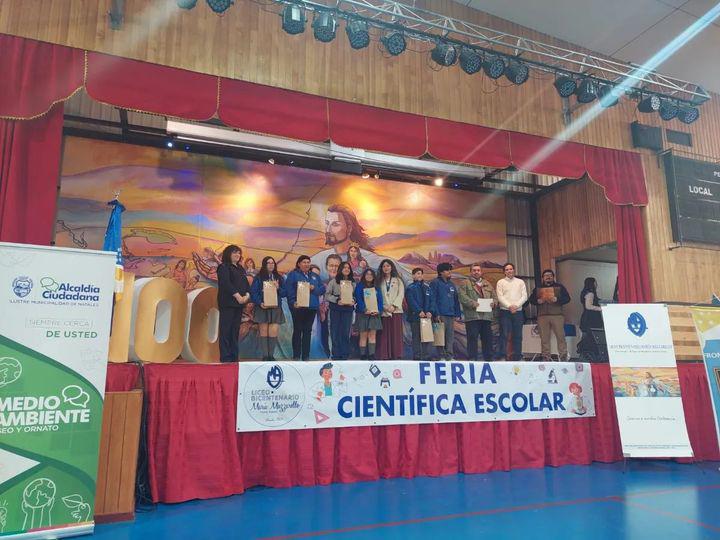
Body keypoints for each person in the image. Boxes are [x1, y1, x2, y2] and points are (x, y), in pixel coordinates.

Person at [284, 255, 326, 361]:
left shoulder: (314, 276)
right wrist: (293, 302)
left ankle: (306, 356)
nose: (306, 264)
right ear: (299, 264)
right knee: (297, 330)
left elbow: (322, 289)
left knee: (308, 331)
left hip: (311, 307)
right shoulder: (293, 275)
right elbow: (289, 290)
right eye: (304, 262)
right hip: (298, 307)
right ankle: (296, 355)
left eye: (308, 262)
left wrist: (314, 288)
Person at [217, 245, 251, 362]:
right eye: (235, 252)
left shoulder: (240, 268)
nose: (237, 255)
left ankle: (234, 357)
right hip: (228, 303)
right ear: (228, 254)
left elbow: (246, 284)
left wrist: (247, 296)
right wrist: (238, 296)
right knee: (226, 330)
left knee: (235, 330)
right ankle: (225, 358)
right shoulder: (223, 267)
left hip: (239, 304)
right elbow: (226, 283)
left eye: (239, 253)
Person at [528, 269, 571, 361]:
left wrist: (558, 299)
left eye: (550, 275)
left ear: (553, 277)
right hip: (542, 316)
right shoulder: (538, 288)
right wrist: (537, 301)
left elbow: (567, 298)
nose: (548, 277)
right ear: (543, 278)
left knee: (561, 336)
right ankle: (546, 357)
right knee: (544, 338)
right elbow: (531, 300)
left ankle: (563, 356)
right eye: (546, 275)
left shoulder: (559, 287)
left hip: (557, 315)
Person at [249, 256, 286, 361]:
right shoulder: (258, 277)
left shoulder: (279, 278)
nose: (271, 265)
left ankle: (271, 356)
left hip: (275, 308)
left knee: (273, 331)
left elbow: (284, 293)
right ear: (264, 265)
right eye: (268, 263)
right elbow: (253, 292)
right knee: (263, 331)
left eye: (272, 263)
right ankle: (265, 356)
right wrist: (260, 302)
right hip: (262, 307)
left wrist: (278, 288)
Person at [458, 263, 497, 361]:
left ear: (481, 272)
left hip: (486, 316)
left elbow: (495, 297)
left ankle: (488, 359)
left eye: (478, 270)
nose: (476, 272)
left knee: (487, 339)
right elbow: (462, 297)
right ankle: (472, 359)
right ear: (470, 272)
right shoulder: (465, 283)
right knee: (472, 338)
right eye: (474, 270)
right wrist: (472, 303)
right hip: (473, 316)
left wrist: (494, 303)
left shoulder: (487, 283)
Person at [496, 262, 527, 361]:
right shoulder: (500, 282)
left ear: (514, 270)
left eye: (511, 269)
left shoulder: (520, 282)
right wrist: (509, 306)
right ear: (504, 272)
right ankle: (503, 355)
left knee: (518, 335)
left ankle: (517, 356)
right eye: (507, 269)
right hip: (505, 312)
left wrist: (516, 306)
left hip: (518, 312)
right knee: (504, 334)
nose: (509, 271)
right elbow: (500, 297)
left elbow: (524, 296)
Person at [430, 262, 462, 361]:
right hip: (440, 314)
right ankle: (441, 356)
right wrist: (436, 313)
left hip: (450, 314)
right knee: (440, 335)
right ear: (441, 272)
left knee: (450, 336)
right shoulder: (435, 283)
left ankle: (449, 356)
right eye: (447, 270)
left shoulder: (451, 284)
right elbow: (432, 299)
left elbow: (456, 300)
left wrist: (457, 313)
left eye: (450, 270)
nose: (449, 272)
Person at [325, 261, 355, 359]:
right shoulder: (333, 282)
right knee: (335, 331)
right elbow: (327, 295)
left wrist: (353, 301)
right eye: (344, 267)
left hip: (348, 310)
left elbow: (355, 296)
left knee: (345, 331)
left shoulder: (353, 283)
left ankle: (345, 354)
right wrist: (337, 300)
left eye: (348, 268)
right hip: (336, 309)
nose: (346, 269)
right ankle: (336, 354)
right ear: (340, 269)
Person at [377, 259, 405, 360]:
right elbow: (377, 295)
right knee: (384, 334)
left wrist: (394, 306)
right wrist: (384, 307)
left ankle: (396, 354)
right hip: (384, 311)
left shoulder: (398, 280)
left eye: (388, 266)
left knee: (396, 334)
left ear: (392, 267)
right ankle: (385, 355)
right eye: (384, 266)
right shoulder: (379, 281)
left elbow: (401, 294)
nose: (386, 268)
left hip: (396, 311)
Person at [405, 267, 435, 361]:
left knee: (427, 337)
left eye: (421, 274)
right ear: (413, 275)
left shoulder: (427, 287)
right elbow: (411, 301)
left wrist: (430, 311)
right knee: (416, 337)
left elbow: (432, 300)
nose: (420, 275)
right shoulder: (410, 288)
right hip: (415, 317)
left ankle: (427, 356)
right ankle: (417, 356)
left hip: (426, 317)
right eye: (418, 273)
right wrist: (419, 311)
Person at [354, 268, 383, 360]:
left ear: (373, 276)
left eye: (371, 274)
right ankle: (362, 355)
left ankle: (371, 355)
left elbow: (380, 300)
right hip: (363, 314)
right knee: (363, 335)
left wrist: (378, 310)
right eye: (367, 274)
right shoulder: (360, 286)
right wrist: (364, 309)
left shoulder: (377, 287)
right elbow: (358, 299)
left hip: (374, 314)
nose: (369, 276)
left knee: (372, 335)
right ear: (364, 276)